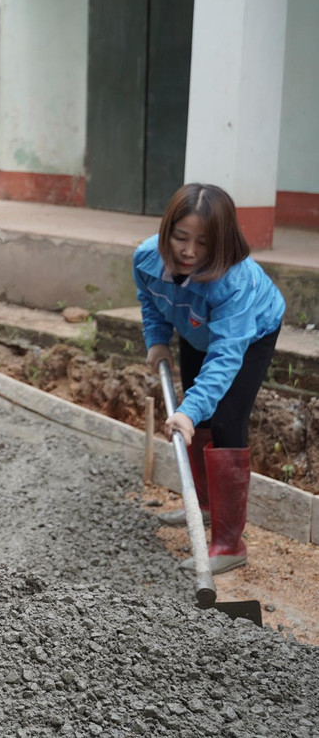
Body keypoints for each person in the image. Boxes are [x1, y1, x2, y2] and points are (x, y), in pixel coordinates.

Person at [135, 183, 285, 575]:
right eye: (180, 237)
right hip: (194, 326)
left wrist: (189, 410)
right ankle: (201, 506)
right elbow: (151, 301)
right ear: (166, 231)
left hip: (247, 335)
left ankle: (230, 544)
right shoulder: (147, 259)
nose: (188, 251)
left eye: (202, 243)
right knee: (195, 415)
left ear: (220, 242)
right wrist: (156, 342)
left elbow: (225, 358)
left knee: (224, 419)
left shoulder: (233, 283)